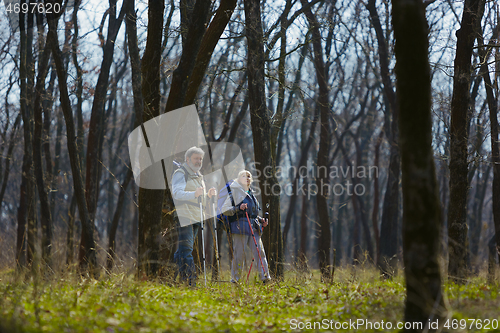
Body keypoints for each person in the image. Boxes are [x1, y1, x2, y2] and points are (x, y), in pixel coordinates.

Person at [172, 146, 216, 286]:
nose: (199, 161)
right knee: (187, 250)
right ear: (188, 159)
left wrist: (207, 196)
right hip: (185, 215)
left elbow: (199, 198)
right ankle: (190, 282)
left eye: (200, 159)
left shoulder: (198, 176)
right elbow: (177, 193)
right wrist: (194, 194)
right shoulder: (181, 173)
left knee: (182, 251)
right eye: (196, 158)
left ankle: (170, 277)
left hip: (197, 216)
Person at [221, 170, 271, 283]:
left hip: (253, 227)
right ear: (239, 180)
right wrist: (238, 208)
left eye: (249, 176)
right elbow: (225, 210)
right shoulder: (234, 193)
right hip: (240, 227)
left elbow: (254, 214)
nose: (247, 178)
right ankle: (235, 280)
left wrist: (261, 220)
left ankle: (265, 278)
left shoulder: (251, 194)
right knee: (239, 254)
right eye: (244, 176)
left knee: (260, 252)